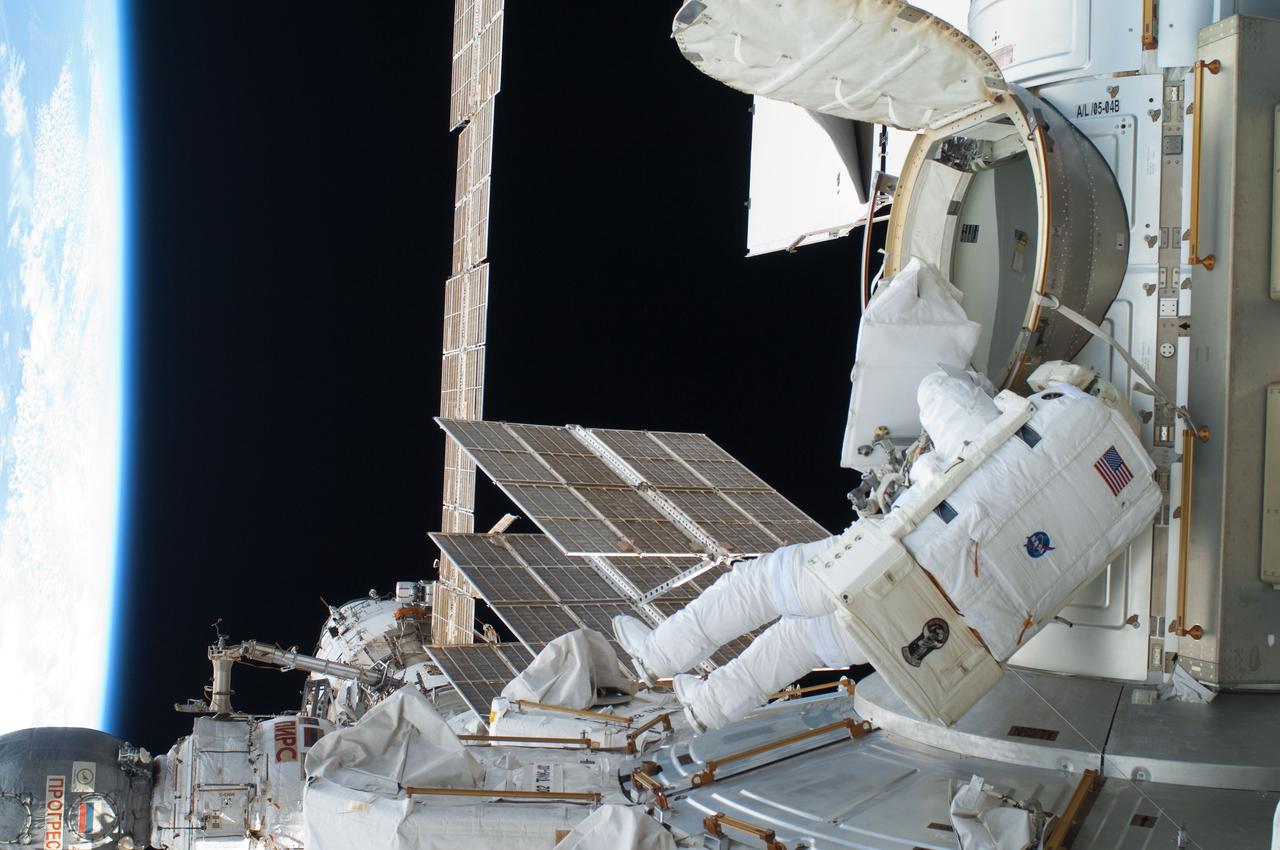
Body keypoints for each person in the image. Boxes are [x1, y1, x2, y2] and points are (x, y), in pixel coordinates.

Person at [615, 365, 1159, 731]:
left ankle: (658, 654)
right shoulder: (1135, 496)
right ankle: (709, 707)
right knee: (802, 641)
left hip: (900, 569)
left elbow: (938, 389)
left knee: (761, 582)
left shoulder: (1054, 420)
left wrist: (969, 380)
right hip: (949, 639)